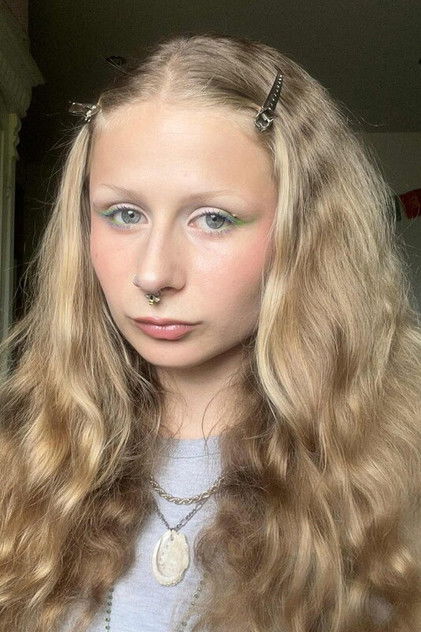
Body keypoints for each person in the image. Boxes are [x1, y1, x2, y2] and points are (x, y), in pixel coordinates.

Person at [0, 33, 420, 632]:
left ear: (305, 233)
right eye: (124, 214)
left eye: (213, 219)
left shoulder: (395, 474)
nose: (153, 274)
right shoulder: (24, 455)